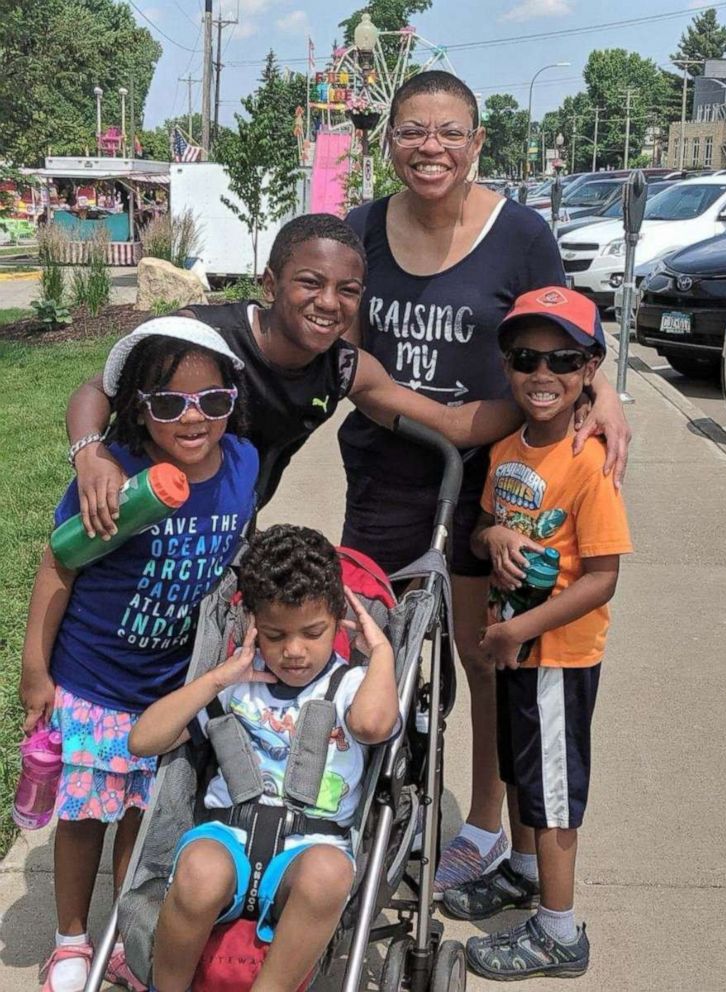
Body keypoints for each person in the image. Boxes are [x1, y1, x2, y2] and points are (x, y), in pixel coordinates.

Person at [340, 70, 632, 895]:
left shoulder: (520, 233)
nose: (429, 148)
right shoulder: (359, 231)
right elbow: (349, 358)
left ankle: (482, 824)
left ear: (476, 142)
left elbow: (572, 325)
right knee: (372, 647)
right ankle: (359, 808)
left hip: (502, 480)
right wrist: (452, 422)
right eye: (411, 130)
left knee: (485, 654)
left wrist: (602, 392)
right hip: (389, 472)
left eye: (449, 133)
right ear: (388, 138)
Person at [19, 320, 259, 992]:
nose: (193, 419)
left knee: (143, 819)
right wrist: (36, 669)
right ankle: (71, 938)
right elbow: (59, 565)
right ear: (137, 407)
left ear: (230, 404)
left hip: (170, 686)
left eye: (212, 402)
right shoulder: (116, 477)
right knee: (83, 818)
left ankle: (124, 933)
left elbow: (243, 539)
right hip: (96, 681)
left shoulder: (243, 463)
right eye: (169, 403)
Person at [65, 212, 523, 535]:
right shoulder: (200, 334)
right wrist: (91, 456)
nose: (329, 302)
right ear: (270, 284)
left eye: (348, 291)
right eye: (310, 282)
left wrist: (550, 395)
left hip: (224, 531)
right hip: (126, 512)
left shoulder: (345, 369)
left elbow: (451, 424)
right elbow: (97, 388)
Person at [441, 287, 632, 980]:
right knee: (523, 774)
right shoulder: (510, 447)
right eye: (525, 358)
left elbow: (602, 579)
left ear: (590, 372)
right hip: (517, 646)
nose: (542, 374)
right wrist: (494, 536)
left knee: (552, 798)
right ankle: (523, 872)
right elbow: (488, 518)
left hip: (556, 657)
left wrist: (515, 628)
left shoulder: (591, 462)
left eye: (563, 360)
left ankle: (559, 932)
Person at [129, 525, 400, 992]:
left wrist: (380, 654)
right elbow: (143, 740)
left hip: (312, 847)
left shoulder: (352, 686)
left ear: (338, 619)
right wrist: (215, 680)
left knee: (330, 874)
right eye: (275, 635)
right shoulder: (236, 686)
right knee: (198, 870)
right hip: (228, 835)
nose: (294, 651)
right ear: (253, 623)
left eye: (312, 633)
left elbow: (375, 726)